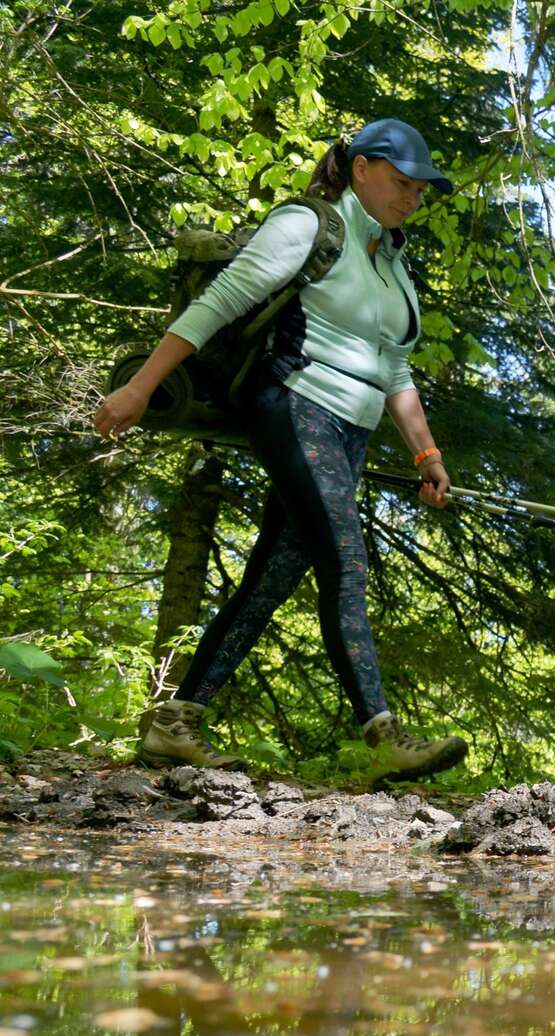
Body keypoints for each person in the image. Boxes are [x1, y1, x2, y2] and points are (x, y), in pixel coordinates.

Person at [95, 118, 468, 787]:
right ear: (362, 169)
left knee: (272, 576)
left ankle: (173, 723)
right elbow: (217, 305)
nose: (412, 197)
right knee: (346, 560)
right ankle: (385, 733)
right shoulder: (309, 226)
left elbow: (396, 373)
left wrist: (426, 453)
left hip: (349, 432)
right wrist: (139, 388)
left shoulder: (394, 264)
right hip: (294, 404)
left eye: (420, 189)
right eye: (401, 182)